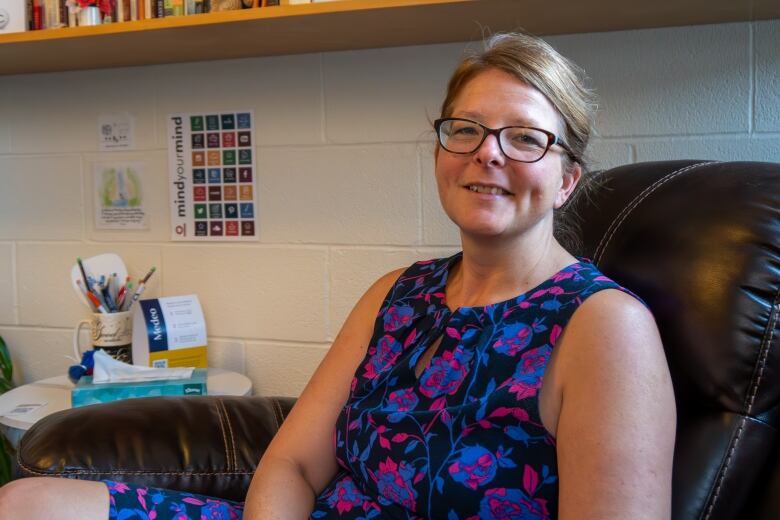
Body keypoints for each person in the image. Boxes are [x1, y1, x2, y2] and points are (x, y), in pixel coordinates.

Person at [0, 31, 675, 519]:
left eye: (525, 138)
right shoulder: (397, 295)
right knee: (28, 504)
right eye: (464, 129)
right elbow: (291, 467)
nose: (486, 154)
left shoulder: (606, 328)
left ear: (566, 179)